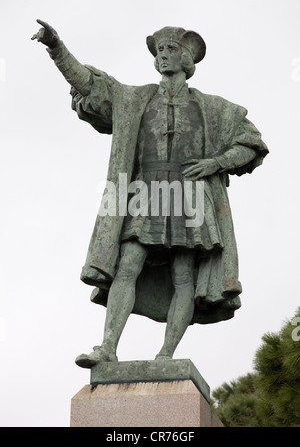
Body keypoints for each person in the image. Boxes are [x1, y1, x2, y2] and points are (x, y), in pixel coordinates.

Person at [32, 20, 268, 367]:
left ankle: (165, 356)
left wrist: (215, 163)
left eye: (171, 49)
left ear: (187, 59)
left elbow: (251, 144)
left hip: (190, 196)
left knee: (184, 276)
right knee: (127, 264)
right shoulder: (134, 98)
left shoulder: (216, 108)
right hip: (145, 193)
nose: (163, 55)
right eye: (159, 50)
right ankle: (107, 347)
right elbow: (88, 83)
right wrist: (56, 48)